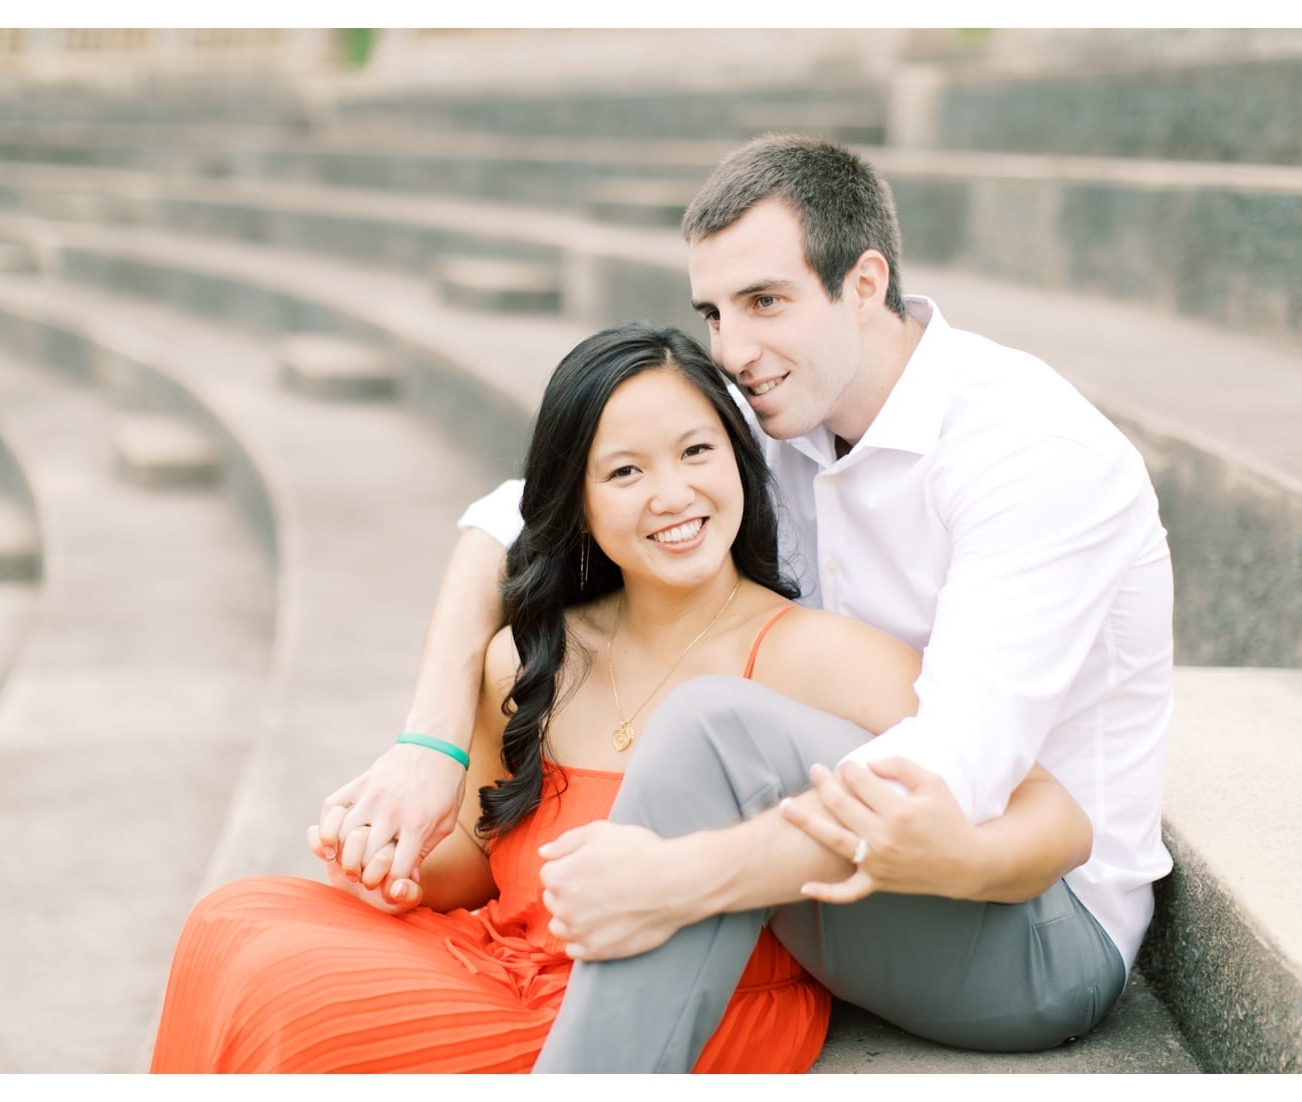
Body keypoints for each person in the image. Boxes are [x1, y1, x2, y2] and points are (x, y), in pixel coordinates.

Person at [318, 134, 1174, 1071]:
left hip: (1030, 919)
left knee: (714, 724)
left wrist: (675, 878)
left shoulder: (1030, 453)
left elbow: (951, 777)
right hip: (833, 879)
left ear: (863, 283)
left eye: (765, 302)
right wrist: (430, 745)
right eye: (715, 311)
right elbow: (505, 520)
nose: (733, 349)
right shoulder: (782, 411)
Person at [150, 324, 1093, 1073]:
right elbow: (475, 867)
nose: (672, 494)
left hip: (674, 1003)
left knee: (309, 1032)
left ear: (738, 462)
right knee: (234, 926)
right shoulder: (528, 655)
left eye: (696, 452)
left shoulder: (806, 654)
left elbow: (1043, 803)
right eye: (626, 472)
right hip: (501, 962)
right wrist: (387, 858)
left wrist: (959, 855)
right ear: (579, 502)